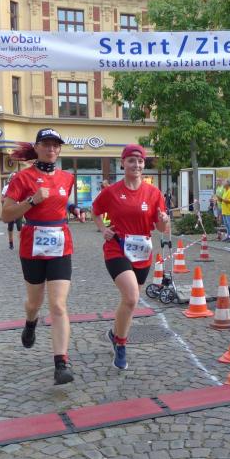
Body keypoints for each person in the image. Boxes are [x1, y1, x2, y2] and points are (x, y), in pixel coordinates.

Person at [0, 128, 76, 385]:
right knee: (35, 302)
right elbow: (6, 215)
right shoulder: (22, 178)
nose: (51, 149)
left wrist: (74, 209)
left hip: (60, 246)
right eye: (46, 144)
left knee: (58, 305)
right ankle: (30, 323)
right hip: (32, 246)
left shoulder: (67, 177)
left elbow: (60, 204)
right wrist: (31, 201)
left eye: (56, 145)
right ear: (36, 148)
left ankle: (61, 363)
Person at [92, 144, 169, 370]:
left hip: (142, 252)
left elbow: (161, 228)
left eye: (140, 161)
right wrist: (102, 229)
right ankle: (121, 345)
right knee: (132, 297)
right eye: (131, 160)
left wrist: (164, 220)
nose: (136, 165)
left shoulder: (154, 193)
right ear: (123, 163)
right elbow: (95, 211)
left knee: (129, 301)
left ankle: (114, 333)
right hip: (117, 248)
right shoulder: (112, 192)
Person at [2, 173, 23, 250]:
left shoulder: (21, 187)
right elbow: (2, 199)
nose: (14, 180)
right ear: (10, 179)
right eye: (12, 178)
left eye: (16, 178)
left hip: (18, 208)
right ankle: (11, 242)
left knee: (19, 227)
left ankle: (21, 244)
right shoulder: (6, 187)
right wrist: (9, 200)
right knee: (10, 227)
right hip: (10, 209)